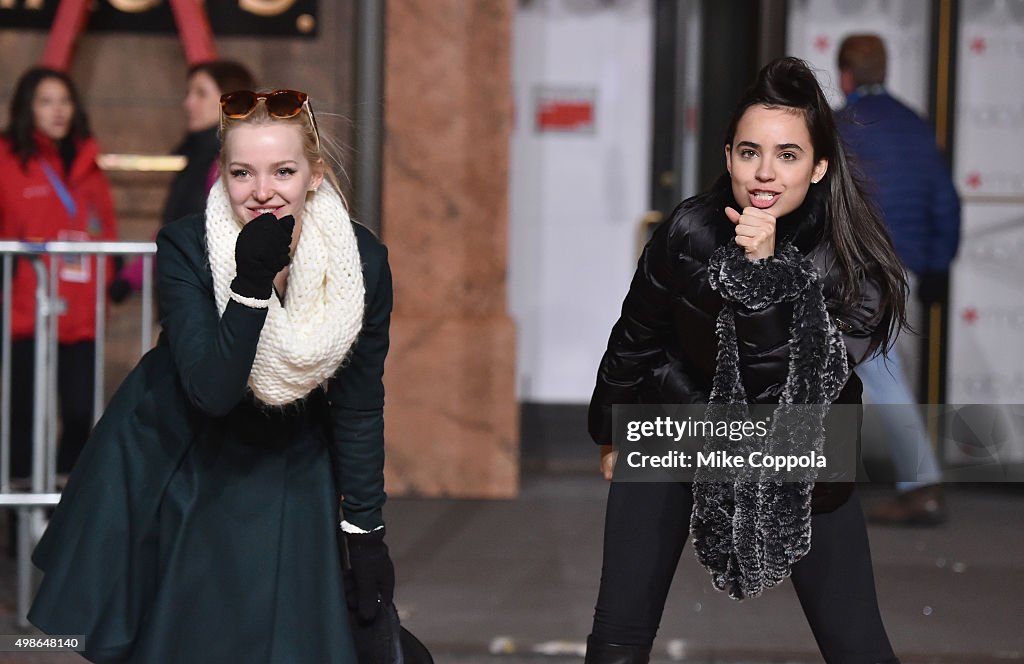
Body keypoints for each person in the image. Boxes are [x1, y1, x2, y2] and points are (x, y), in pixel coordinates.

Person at [28, 88, 395, 664]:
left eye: (284, 171)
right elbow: (213, 391)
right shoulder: (185, 246)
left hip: (291, 448)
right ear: (220, 174)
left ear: (315, 175)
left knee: (292, 639)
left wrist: (365, 531)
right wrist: (250, 285)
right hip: (179, 450)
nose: (262, 192)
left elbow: (358, 404)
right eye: (242, 172)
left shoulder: (364, 264)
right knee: (181, 637)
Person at [585, 57, 907, 664]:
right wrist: (609, 431)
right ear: (727, 155)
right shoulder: (689, 229)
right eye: (749, 152)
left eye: (787, 155)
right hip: (682, 430)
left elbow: (790, 391)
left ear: (818, 167)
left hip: (800, 453)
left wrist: (761, 277)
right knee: (617, 638)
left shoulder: (851, 264)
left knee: (856, 645)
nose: (764, 173)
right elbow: (635, 337)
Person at [837, 34, 960, 525]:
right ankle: (917, 482)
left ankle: (920, 483)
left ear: (845, 76)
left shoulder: (840, 127)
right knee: (879, 372)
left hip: (855, 271)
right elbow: (944, 203)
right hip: (900, 271)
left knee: (874, 374)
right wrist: (936, 265)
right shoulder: (915, 127)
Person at [0, 67, 119, 482]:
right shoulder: (6, 158)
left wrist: (112, 280)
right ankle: (17, 521)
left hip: (81, 315)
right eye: (46, 101)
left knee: (80, 414)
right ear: (27, 107)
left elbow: (104, 225)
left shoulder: (88, 162)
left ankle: (63, 512)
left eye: (65, 100)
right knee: (23, 420)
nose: (58, 110)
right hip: (24, 314)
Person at [109, 60, 256, 301]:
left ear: (230, 100)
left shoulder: (231, 162)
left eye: (201, 93)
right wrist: (131, 277)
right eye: (189, 93)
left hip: (210, 299)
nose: (189, 103)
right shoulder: (195, 158)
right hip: (186, 295)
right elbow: (176, 230)